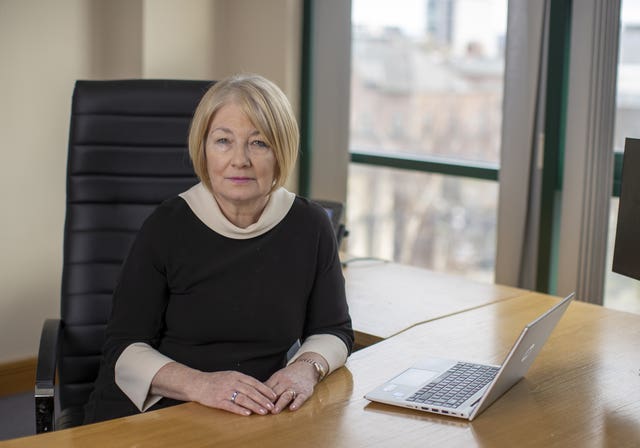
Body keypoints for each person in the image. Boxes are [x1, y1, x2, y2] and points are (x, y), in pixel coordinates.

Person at [83, 74, 354, 423]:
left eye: (259, 143)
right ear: (204, 148)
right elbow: (123, 349)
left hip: (253, 413)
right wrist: (201, 385)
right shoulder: (166, 225)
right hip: (158, 410)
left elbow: (334, 329)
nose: (239, 160)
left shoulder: (310, 225)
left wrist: (305, 368)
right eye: (224, 141)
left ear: (281, 151)